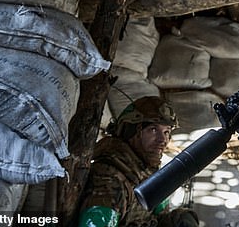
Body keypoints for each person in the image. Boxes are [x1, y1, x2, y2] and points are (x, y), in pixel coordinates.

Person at [78, 96, 199, 227]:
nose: (162, 140)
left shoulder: (147, 172)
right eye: (153, 130)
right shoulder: (110, 179)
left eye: (166, 132)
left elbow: (159, 216)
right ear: (132, 132)